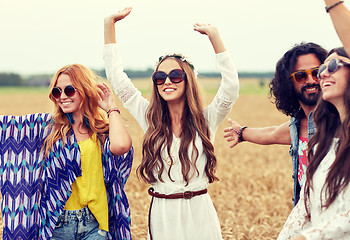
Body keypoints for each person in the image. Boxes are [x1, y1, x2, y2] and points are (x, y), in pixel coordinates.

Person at [103, 7, 239, 240]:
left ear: (188, 80)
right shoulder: (149, 117)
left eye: (175, 76)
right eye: (159, 77)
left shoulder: (206, 119)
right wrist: (109, 25)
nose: (167, 81)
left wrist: (215, 37)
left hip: (200, 211)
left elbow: (231, 88)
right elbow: (118, 79)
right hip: (162, 212)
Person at [0, 64, 133, 240]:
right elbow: (6, 128)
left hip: (95, 224)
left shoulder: (101, 132)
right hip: (57, 226)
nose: (62, 96)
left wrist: (111, 108)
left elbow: (121, 146)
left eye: (69, 90)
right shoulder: (44, 127)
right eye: (57, 92)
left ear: (85, 90)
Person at [224, 43, 328, 206]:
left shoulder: (340, 117)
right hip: (307, 213)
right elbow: (272, 134)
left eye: (317, 73)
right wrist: (242, 133)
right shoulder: (296, 126)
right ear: (289, 83)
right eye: (301, 76)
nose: (310, 80)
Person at [277, 47, 350, 240]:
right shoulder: (320, 144)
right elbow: (305, 207)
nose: (322, 74)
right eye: (323, 68)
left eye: (333, 65)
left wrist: (308, 237)